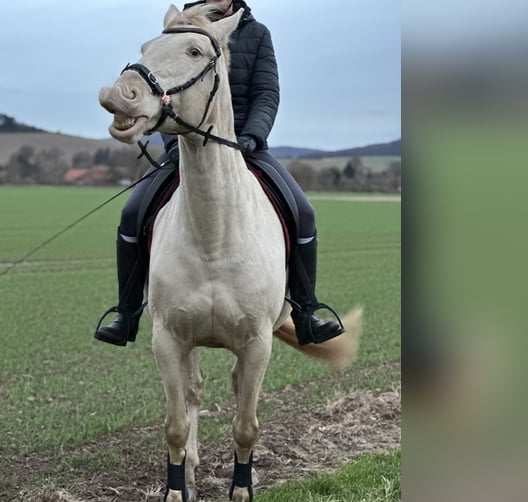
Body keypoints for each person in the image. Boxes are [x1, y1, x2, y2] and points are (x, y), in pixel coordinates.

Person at [95, 0, 344, 347]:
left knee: (303, 213)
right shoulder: (179, 28)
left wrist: (252, 137)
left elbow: (266, 93)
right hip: (185, 148)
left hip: (248, 146)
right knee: (131, 214)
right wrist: (171, 144)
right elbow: (164, 92)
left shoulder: (256, 34)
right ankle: (126, 311)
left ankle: (305, 311)